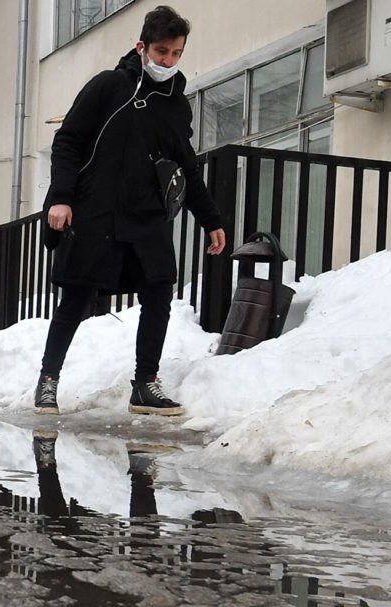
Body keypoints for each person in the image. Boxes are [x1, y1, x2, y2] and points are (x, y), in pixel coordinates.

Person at [34, 5, 226, 417]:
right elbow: (67, 142)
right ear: (142, 46)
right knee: (77, 298)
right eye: (161, 52)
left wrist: (210, 219)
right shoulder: (109, 87)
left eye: (176, 54)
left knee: (159, 292)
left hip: (146, 216)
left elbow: (186, 166)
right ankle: (48, 381)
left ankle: (145, 384)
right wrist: (63, 197)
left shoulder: (176, 104)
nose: (168, 61)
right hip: (96, 213)